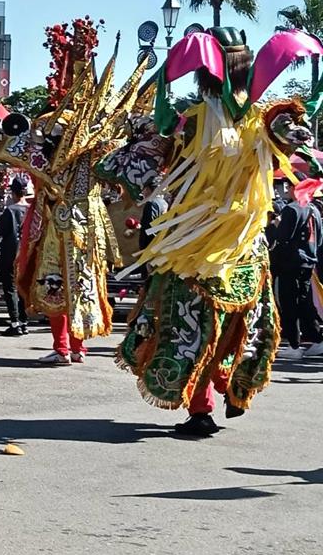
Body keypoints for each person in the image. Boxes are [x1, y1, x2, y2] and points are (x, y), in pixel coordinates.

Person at [98, 25, 320, 436]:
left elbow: (159, 129)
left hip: (194, 240)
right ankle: (228, 385)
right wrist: (317, 76)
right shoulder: (267, 119)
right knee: (240, 320)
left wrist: (166, 76)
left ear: (203, 70)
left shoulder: (193, 120)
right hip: (245, 243)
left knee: (187, 321)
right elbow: (302, 126)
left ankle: (202, 406)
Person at [0, 24, 136, 365]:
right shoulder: (93, 136)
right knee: (76, 282)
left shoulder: (59, 131)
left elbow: (11, 146)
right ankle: (74, 346)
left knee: (59, 281)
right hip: (84, 221)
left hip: (62, 221)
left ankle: (64, 347)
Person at [272, 179, 322, 350]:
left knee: (289, 303)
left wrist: (277, 226)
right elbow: (320, 239)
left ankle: (295, 343)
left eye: (290, 186)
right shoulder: (314, 209)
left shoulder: (291, 209)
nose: (287, 190)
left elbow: (282, 237)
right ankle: (314, 337)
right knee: (305, 301)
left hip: (290, 262)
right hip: (308, 261)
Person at [0, 177, 30, 336]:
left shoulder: (10, 210)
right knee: (23, 287)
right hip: (27, 253)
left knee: (10, 288)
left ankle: (15, 322)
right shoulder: (31, 209)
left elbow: (0, 230)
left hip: (10, 252)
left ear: (13, 192)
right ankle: (24, 321)